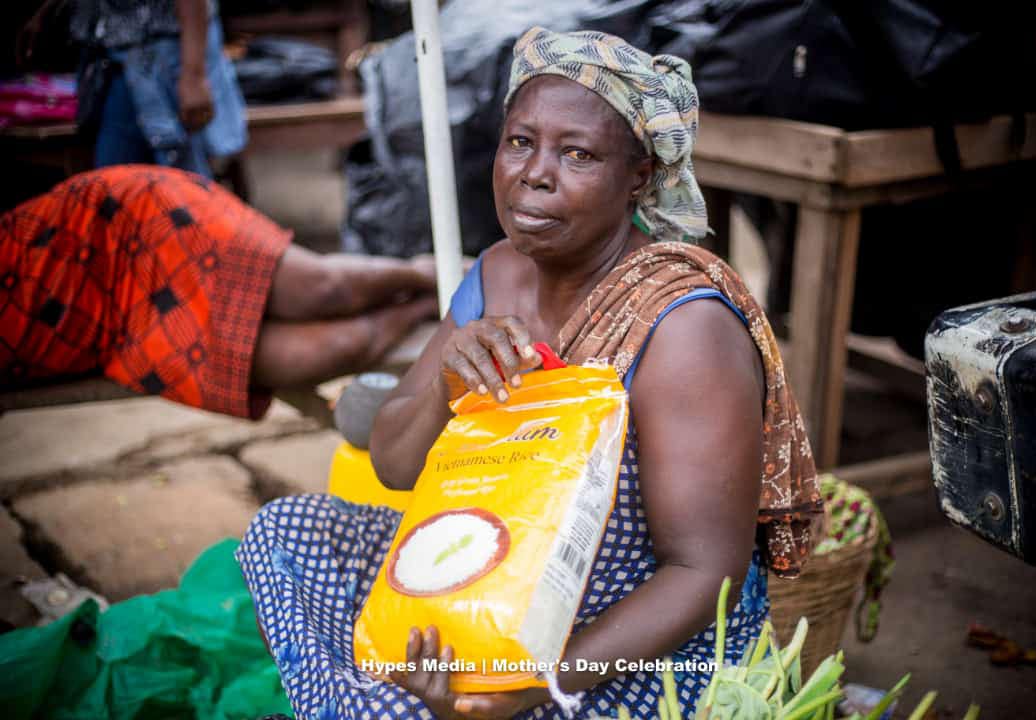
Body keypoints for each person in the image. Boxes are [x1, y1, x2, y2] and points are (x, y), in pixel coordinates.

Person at [235, 27, 822, 719]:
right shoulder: (497, 273)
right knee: (286, 532)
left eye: (576, 153)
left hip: (632, 647)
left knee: (394, 708)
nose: (534, 173)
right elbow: (394, 464)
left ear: (638, 176)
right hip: (504, 584)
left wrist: (535, 683)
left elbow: (702, 575)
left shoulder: (681, 323)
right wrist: (445, 391)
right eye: (520, 142)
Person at [0, 165, 438, 419]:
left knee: (319, 288)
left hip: (104, 228)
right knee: (332, 346)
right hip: (109, 338)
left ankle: (427, 275)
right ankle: (422, 306)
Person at [18, 0, 246, 176]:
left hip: (162, 65)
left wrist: (193, 75)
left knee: (181, 184)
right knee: (120, 184)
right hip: (117, 64)